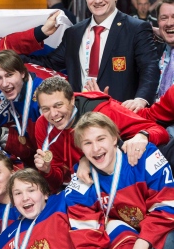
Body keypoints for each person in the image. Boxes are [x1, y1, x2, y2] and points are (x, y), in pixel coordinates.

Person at [65, 111, 174, 249]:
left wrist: (144, 241)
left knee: (169, 244)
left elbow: (168, 203)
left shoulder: (143, 155)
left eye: (101, 139)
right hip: (127, 236)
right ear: (81, 149)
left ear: (114, 138)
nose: (96, 149)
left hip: (160, 228)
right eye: (87, 143)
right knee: (111, 227)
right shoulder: (82, 180)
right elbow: (83, 233)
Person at [22, 0, 159, 111]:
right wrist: (10, 56)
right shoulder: (73, 33)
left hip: (119, 114)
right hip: (80, 115)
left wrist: (141, 100)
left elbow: (149, 68)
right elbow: (48, 63)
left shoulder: (136, 28)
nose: (97, 0)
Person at [34, 76, 168, 192]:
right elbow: (58, 181)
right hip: (84, 187)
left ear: (72, 100)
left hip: (125, 180)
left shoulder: (103, 111)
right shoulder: (42, 125)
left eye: (58, 105)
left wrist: (142, 135)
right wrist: (47, 171)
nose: (53, 114)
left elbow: (160, 132)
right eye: (45, 109)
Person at [0, 50, 46, 169]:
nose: (4, 84)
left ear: (22, 73)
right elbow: (27, 144)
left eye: (9, 75)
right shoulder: (15, 93)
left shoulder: (43, 95)